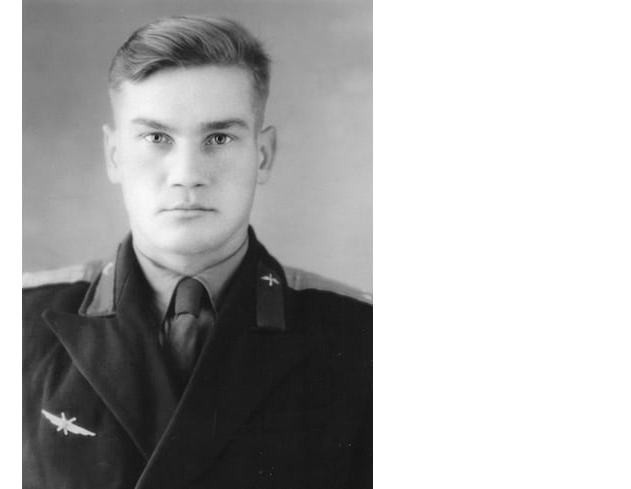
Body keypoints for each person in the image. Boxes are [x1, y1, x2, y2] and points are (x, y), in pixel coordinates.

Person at [23, 15, 372, 489]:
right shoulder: (19, 327)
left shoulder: (363, 338)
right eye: (156, 138)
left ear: (263, 155)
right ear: (114, 155)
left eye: (219, 138)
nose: (187, 174)